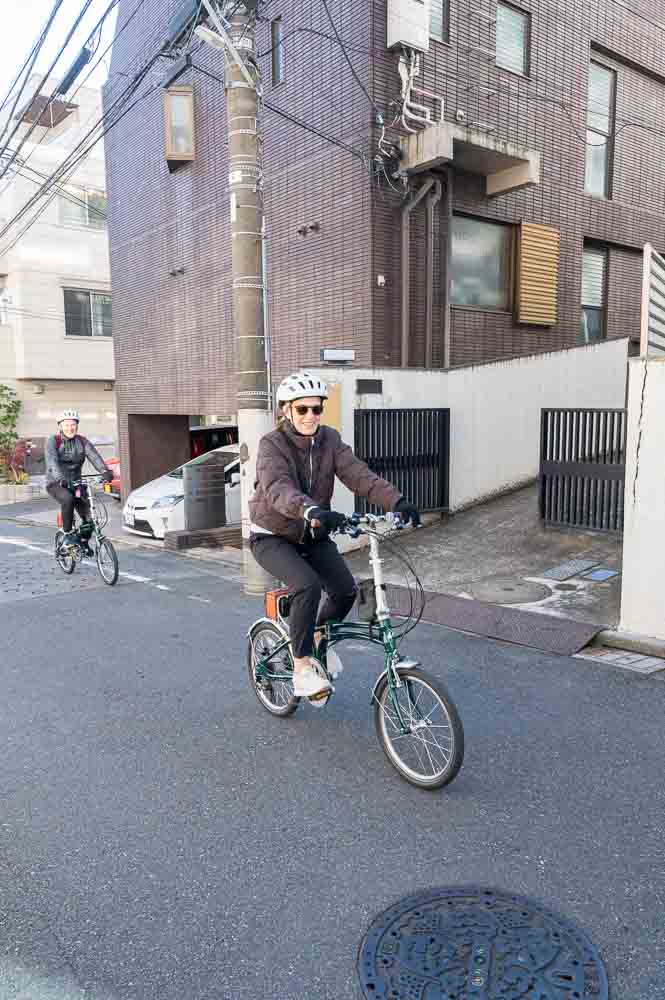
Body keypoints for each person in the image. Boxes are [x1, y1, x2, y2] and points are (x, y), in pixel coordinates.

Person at [249, 371, 420, 700]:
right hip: (272, 534)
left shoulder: (329, 439)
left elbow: (359, 475)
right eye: (302, 409)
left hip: (312, 532)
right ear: (286, 410)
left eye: (316, 408)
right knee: (307, 585)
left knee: (344, 591)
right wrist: (309, 509)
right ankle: (301, 669)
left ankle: (316, 638)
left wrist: (397, 501)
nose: (310, 416)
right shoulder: (272, 444)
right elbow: (277, 488)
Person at [46, 409, 114, 555]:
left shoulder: (82, 441)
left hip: (76, 483)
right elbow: (52, 462)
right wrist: (60, 479)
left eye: (73, 425)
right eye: (66, 425)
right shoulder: (53, 441)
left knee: (89, 516)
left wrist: (105, 471)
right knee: (68, 499)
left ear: (77, 426)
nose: (70, 428)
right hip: (56, 483)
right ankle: (68, 535)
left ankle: (83, 541)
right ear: (60, 426)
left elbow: (94, 457)